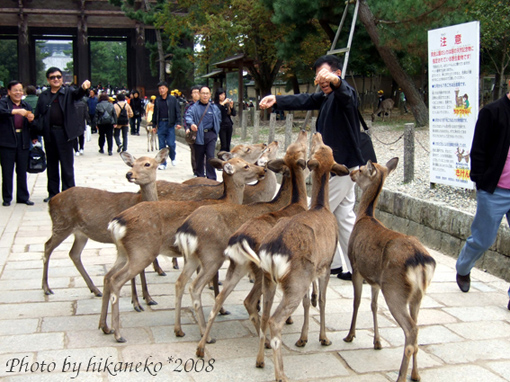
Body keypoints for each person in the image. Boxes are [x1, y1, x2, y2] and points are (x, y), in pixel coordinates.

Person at [259, 55, 364, 281]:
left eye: (325, 76)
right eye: (318, 78)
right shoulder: (326, 98)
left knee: (313, 210)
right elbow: (304, 99)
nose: (321, 81)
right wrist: (276, 99)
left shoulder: (345, 95)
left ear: (337, 74)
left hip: (340, 168)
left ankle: (301, 261)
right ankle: (345, 265)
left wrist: (335, 82)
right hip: (337, 166)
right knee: (343, 216)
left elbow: (346, 93)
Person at [455, 90, 510, 310]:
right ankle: (463, 267)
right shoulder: (492, 112)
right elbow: (478, 149)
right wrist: (480, 181)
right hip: (494, 189)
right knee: (483, 239)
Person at [34, 67, 90, 202]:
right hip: (49, 133)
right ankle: (53, 193)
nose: (56, 79)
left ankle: (69, 193)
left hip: (64, 133)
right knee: (52, 165)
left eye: (58, 77)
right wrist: (34, 134)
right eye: (52, 77)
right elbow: (38, 115)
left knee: (67, 165)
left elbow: (78, 94)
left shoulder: (68, 92)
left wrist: (83, 87)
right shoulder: (44, 96)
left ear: (62, 78)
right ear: (48, 80)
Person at [0, 80, 38, 206]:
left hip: (23, 140)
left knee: (22, 170)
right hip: (7, 141)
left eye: (20, 90)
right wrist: (15, 111)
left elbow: (32, 124)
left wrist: (32, 125)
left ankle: (23, 197)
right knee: (7, 171)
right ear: (9, 91)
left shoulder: (26, 105)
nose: (18, 93)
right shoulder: (3, 103)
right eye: (15, 90)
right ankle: (7, 198)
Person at [185, 85, 221, 180]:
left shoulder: (214, 107)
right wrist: (192, 124)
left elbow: (219, 118)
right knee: (199, 158)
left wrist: (215, 130)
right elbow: (188, 116)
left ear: (210, 95)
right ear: (200, 94)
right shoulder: (194, 107)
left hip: (211, 135)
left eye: (207, 93)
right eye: (203, 93)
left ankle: (212, 178)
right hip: (199, 135)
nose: (205, 95)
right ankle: (200, 177)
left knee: (210, 156)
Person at [152, 81, 182, 169]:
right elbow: (155, 113)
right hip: (161, 124)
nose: (161, 90)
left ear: (167, 89)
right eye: (160, 89)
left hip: (170, 124)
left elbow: (177, 111)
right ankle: (162, 163)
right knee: (162, 145)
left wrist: (178, 122)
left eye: (163, 88)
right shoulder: (157, 100)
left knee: (171, 143)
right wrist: (154, 125)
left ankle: (172, 156)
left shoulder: (172, 99)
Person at [184, 85, 201, 176]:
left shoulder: (205, 105)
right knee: (194, 151)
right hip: (192, 131)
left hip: (202, 131)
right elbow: (185, 118)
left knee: (203, 151)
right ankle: (195, 170)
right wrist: (187, 128)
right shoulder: (188, 106)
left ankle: (203, 168)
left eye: (197, 92)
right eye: (194, 92)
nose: (196, 94)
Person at [214, 88, 236, 152]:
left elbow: (233, 114)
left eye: (223, 94)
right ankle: (221, 157)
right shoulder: (216, 105)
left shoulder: (226, 104)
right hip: (221, 126)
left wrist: (231, 106)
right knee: (224, 144)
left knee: (228, 144)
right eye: (221, 95)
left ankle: (227, 158)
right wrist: (223, 103)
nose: (223, 96)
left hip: (228, 125)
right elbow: (217, 111)